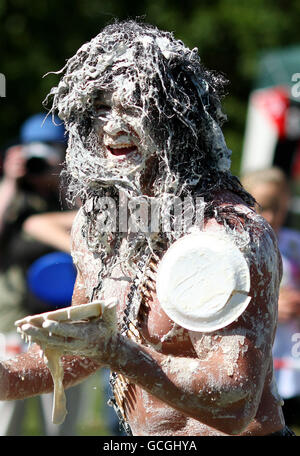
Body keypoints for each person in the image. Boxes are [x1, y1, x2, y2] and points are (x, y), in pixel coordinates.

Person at [0, 21, 292, 436]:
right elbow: (83, 354)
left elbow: (236, 405)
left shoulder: (226, 233)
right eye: (99, 107)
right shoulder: (99, 229)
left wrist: (115, 350)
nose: (113, 127)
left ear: (179, 118)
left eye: (134, 108)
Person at [0, 115, 81, 436]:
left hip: (64, 324)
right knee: (7, 419)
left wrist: (66, 179)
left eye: (51, 150)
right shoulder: (11, 196)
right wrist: (9, 180)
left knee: (60, 422)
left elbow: (94, 225)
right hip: (12, 323)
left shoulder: (70, 194)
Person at [241, 167, 300, 431]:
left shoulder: (295, 245)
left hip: (294, 360)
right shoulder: (238, 248)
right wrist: (272, 303)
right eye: (264, 206)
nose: (272, 216)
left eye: (279, 207)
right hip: (255, 362)